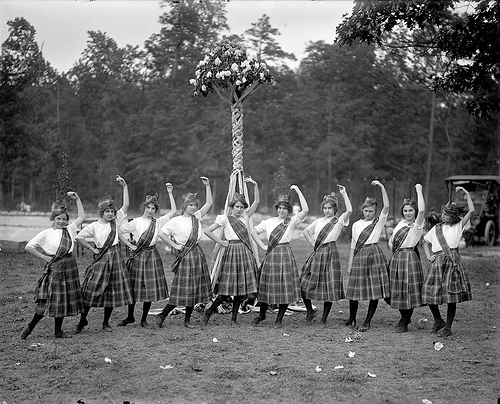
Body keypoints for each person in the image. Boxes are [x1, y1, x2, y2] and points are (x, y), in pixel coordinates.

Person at [74, 176, 134, 333]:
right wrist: (92, 249)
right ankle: (82, 321)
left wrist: (125, 186)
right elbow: (79, 237)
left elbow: (126, 205)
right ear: (101, 212)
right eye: (107, 211)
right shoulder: (94, 225)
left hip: (116, 258)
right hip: (101, 259)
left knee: (112, 291)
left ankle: (105, 322)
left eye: (112, 211)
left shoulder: (116, 222)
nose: (110, 214)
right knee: (90, 290)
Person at [22, 192, 85, 339]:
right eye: (59, 219)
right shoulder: (46, 233)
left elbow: (81, 217)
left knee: (62, 299)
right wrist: (45, 257)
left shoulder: (69, 229)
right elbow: (29, 247)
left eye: (64, 219)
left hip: (70, 267)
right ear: (53, 219)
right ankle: (29, 327)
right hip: (56, 268)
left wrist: (77, 199)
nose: (62, 222)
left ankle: (58, 331)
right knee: (49, 299)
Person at [156, 177, 213, 328]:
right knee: (182, 288)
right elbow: (161, 234)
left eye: (195, 205)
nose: (193, 208)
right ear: (184, 206)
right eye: (190, 205)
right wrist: (174, 244)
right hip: (185, 256)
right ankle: (162, 315)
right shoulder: (176, 221)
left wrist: (207, 186)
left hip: (197, 254)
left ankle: (187, 320)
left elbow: (209, 203)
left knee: (193, 289)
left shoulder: (197, 217)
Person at [202, 177, 260, 326]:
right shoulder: (225, 219)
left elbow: (257, 202)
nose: (239, 209)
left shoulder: (246, 217)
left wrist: (255, 185)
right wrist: (220, 241)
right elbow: (208, 231)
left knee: (241, 289)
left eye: (241, 207)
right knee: (226, 289)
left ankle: (234, 319)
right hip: (231, 253)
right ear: (232, 207)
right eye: (237, 207)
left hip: (245, 253)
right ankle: (209, 311)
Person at [117, 182, 176, 328]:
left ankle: (143, 319)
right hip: (137, 256)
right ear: (144, 207)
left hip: (151, 256)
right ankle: (130, 316)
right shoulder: (136, 222)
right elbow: (119, 232)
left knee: (148, 288)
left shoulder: (158, 222)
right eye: (148, 207)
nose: (150, 210)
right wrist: (129, 244)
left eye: (153, 208)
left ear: (155, 210)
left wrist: (170, 192)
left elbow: (174, 211)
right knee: (134, 287)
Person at [250, 185, 309, 328]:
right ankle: (262, 314)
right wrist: (261, 245)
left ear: (289, 210)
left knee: (284, 287)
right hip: (271, 254)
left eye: (285, 209)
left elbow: (306, 210)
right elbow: (252, 231)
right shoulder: (268, 222)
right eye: (280, 208)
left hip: (285, 254)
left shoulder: (291, 222)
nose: (282, 211)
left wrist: (299, 191)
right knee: (266, 285)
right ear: (277, 208)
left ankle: (279, 320)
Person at [422, 187, 474, 337]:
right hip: (437, 262)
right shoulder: (436, 228)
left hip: (452, 262)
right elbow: (425, 242)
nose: (442, 216)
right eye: (443, 213)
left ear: (453, 217)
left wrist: (466, 193)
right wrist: (428, 256)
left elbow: (471, 211)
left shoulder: (459, 226)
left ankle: (448, 328)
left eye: (446, 214)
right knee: (429, 292)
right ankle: (438, 320)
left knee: (452, 297)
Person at [300, 185, 352, 325]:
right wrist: (314, 244)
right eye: (325, 208)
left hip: (330, 253)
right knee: (303, 283)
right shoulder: (318, 221)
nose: (327, 210)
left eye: (329, 208)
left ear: (335, 209)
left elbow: (350, 210)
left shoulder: (338, 221)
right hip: (318, 253)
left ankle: (324, 319)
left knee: (329, 286)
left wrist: (344, 193)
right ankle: (310, 310)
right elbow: (305, 232)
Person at [344, 180, 390, 332]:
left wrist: (382, 187)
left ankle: (367, 321)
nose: (368, 213)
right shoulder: (356, 224)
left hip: (374, 255)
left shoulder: (378, 222)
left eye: (371, 211)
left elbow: (387, 206)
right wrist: (350, 264)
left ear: (375, 212)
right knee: (354, 290)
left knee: (373, 290)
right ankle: (352, 318)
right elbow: (353, 244)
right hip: (359, 256)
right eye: (366, 211)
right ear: (362, 210)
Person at [387, 184, 425, 333]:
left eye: (411, 210)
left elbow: (422, 210)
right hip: (397, 258)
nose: (408, 213)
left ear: (415, 211)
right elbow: (391, 240)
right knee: (395, 291)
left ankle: (404, 322)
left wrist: (419, 191)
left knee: (408, 290)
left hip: (409, 257)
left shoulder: (417, 225)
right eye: (406, 210)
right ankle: (405, 317)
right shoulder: (400, 223)